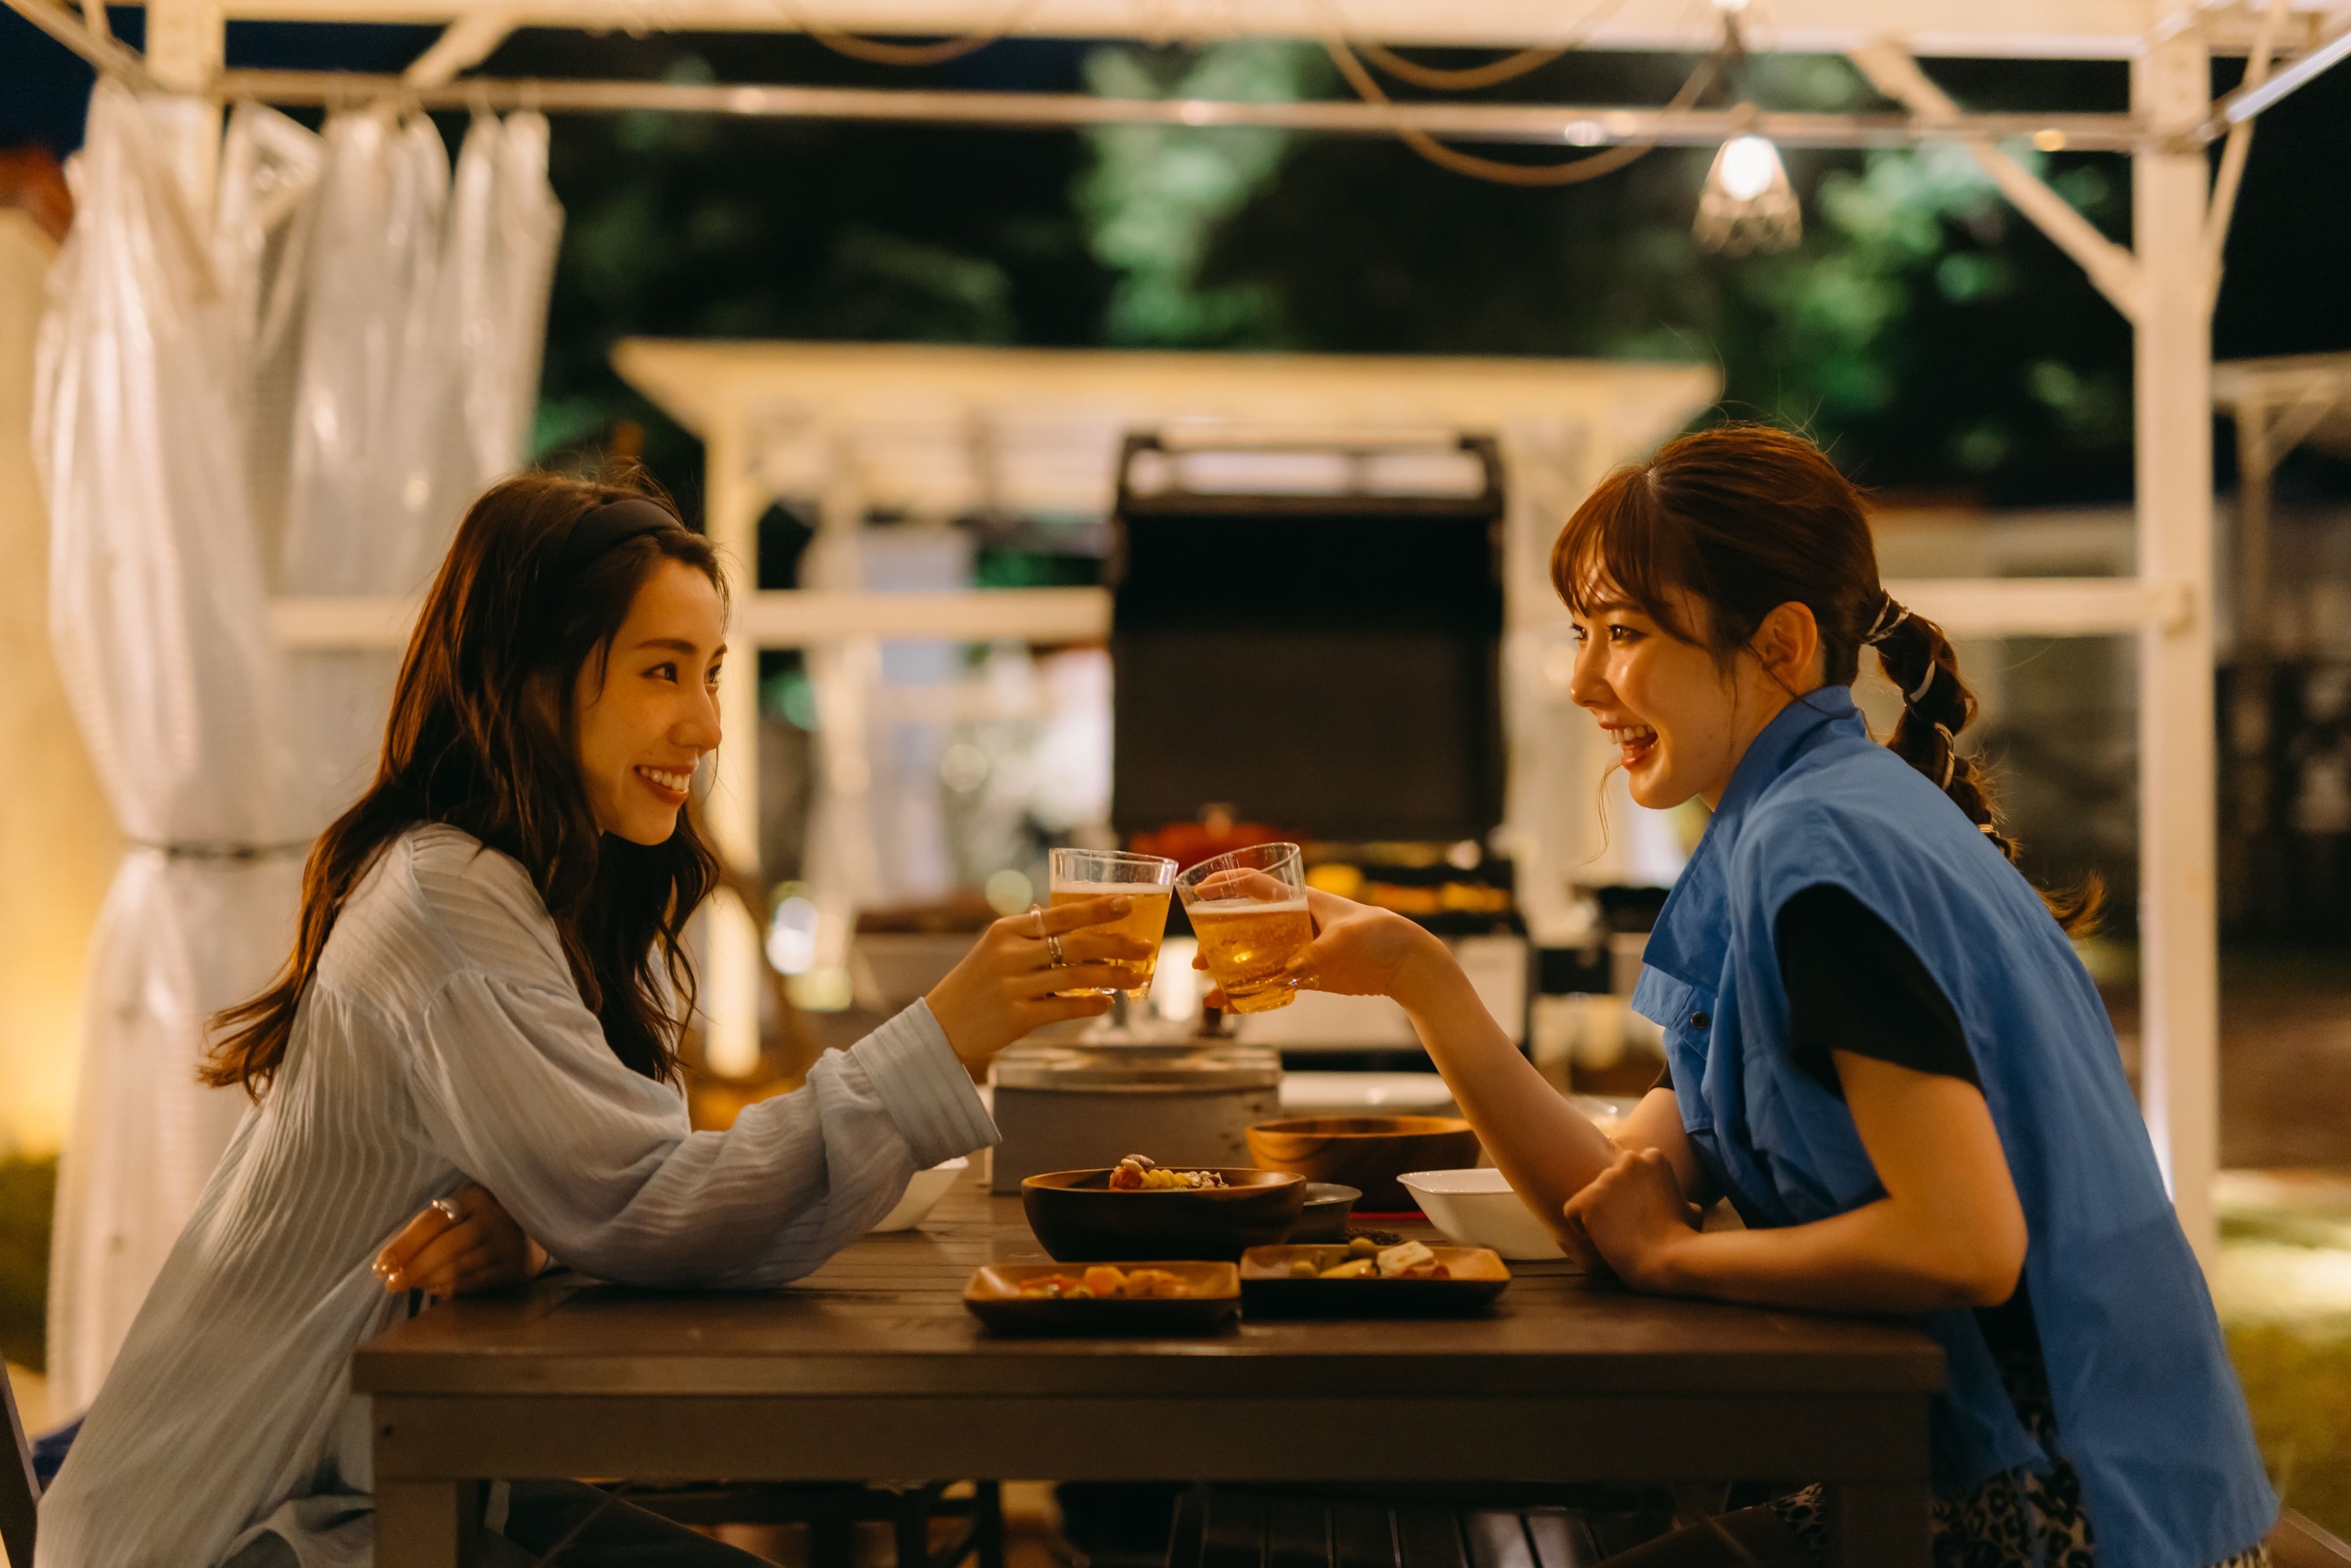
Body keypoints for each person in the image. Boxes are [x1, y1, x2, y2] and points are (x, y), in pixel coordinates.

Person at [35, 472, 1148, 1568]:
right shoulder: (444, 896)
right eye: (663, 672)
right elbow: (648, 1201)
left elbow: (612, 1180)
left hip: (363, 1478)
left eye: (711, 673)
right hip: (233, 1526)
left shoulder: (525, 884)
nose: (707, 724)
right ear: (529, 682)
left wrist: (529, 1220)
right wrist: (938, 1036)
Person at [1265, 426, 2276, 1568]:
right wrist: (1422, 978)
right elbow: (1616, 1196)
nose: (1587, 679)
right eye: (1584, 633)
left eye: (1627, 632)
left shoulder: (1818, 848)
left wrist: (1674, 1262)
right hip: (2070, 1486)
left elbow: (1964, 1240)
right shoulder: (1799, 819)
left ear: (1782, 642)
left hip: (2069, 1520)